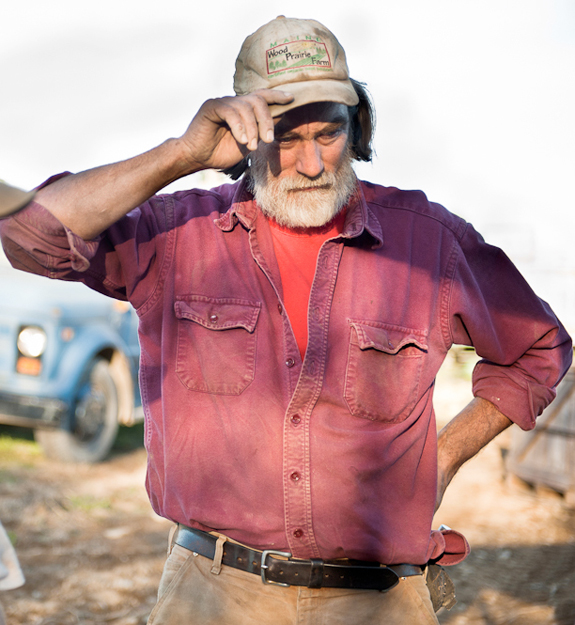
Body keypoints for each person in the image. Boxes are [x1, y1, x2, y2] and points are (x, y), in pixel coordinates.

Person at [0, 15, 571, 625]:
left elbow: (538, 350)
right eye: (285, 138)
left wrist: (445, 456)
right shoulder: (177, 235)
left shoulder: (428, 242)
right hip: (213, 593)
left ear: (358, 129)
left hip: (380, 600)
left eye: (328, 135)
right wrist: (182, 154)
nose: (310, 163)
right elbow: (28, 234)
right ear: (244, 137)